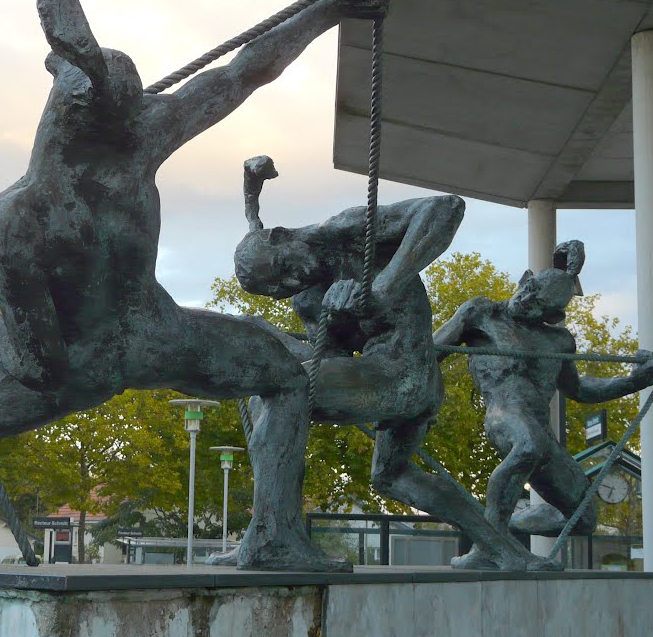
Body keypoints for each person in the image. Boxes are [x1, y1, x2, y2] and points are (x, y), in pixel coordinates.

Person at [0, 0, 393, 572]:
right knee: (284, 377)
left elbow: (33, 366)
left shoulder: (18, 219)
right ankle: (275, 537)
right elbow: (247, 71)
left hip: (79, 362)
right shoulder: (141, 140)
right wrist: (337, 2)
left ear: (55, 121)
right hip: (158, 334)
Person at [221, 156, 548, 571]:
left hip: (405, 373)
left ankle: (274, 538)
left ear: (285, 237)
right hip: (376, 380)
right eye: (279, 289)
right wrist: (271, 337)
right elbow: (331, 360)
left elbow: (446, 208)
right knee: (392, 477)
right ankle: (503, 551)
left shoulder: (345, 231)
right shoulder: (305, 292)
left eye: (286, 269)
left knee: (280, 389)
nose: (292, 283)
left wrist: (382, 288)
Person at [433, 241, 653, 566]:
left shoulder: (559, 340)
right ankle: (486, 547)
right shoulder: (481, 313)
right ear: (524, 279)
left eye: (536, 304)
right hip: (505, 414)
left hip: (542, 433)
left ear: (553, 314)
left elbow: (580, 389)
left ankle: (504, 520)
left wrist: (635, 380)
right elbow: (431, 353)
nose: (524, 302)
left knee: (583, 519)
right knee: (528, 444)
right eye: (527, 291)